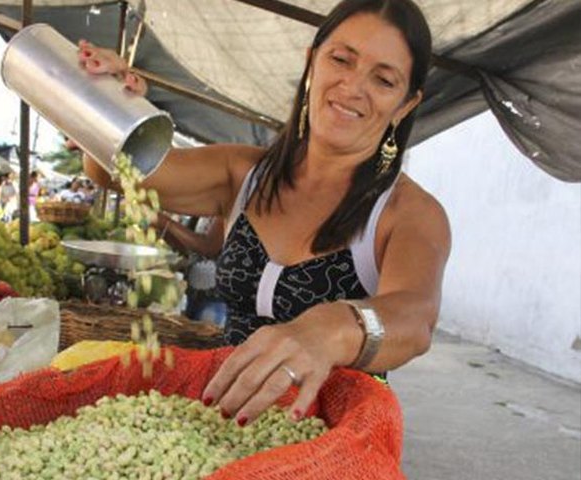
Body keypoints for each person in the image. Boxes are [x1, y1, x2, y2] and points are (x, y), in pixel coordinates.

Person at [82, 0, 450, 425]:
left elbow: (415, 318)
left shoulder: (408, 212)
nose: (352, 87)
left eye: (383, 80)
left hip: (336, 441)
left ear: (405, 105)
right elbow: (116, 171)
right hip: (219, 427)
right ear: (312, 62)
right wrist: (109, 99)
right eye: (341, 60)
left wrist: (334, 328)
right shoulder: (242, 174)